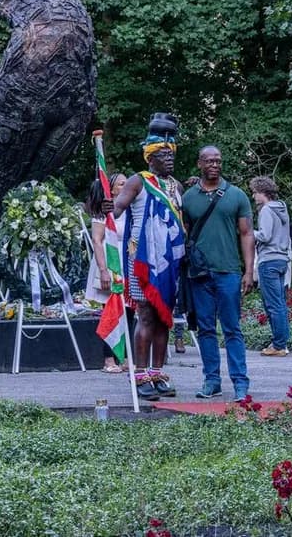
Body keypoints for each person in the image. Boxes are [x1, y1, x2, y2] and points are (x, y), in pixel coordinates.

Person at [111, 120, 186, 400]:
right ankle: (140, 374)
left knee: (164, 319)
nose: (169, 159)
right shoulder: (139, 180)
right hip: (142, 259)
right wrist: (109, 207)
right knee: (145, 316)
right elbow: (118, 208)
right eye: (164, 155)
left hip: (169, 262)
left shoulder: (175, 185)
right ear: (150, 157)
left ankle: (158, 372)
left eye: (172, 155)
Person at [182, 146, 254, 401]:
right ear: (199, 163)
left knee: (232, 328)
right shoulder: (189, 197)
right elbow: (185, 235)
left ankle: (240, 382)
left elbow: (246, 234)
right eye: (209, 161)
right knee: (205, 329)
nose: (215, 164)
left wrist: (249, 270)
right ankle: (211, 380)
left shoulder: (236, 195)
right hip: (200, 274)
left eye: (218, 161)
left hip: (229, 272)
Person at [84, 175, 129, 373]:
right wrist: (103, 271)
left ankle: (126, 357)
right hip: (110, 263)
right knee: (111, 311)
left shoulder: (129, 210)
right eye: (121, 183)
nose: (126, 186)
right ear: (111, 189)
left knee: (129, 312)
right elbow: (97, 241)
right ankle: (109, 359)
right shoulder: (103, 214)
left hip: (127, 263)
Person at [249, 176, 292, 356]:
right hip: (282, 259)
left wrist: (248, 232)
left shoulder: (266, 210)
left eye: (255, 193)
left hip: (269, 260)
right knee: (280, 303)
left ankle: (279, 345)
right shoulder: (282, 208)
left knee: (273, 305)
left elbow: (265, 235)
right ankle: (281, 342)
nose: (253, 196)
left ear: (263, 193)